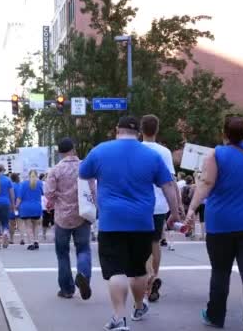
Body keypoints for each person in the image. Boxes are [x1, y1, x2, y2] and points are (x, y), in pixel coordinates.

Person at [79, 116, 180, 330]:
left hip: (111, 220)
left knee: (116, 271)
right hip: (142, 221)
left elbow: (83, 173)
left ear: (117, 130)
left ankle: (119, 317)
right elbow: (169, 186)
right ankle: (138, 306)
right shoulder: (152, 155)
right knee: (138, 270)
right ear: (138, 132)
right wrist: (174, 213)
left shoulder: (100, 151)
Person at [186, 114, 243, 330]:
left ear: (224, 133)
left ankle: (215, 316)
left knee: (221, 272)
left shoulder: (216, 154)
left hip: (221, 223)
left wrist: (191, 208)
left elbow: (205, 184)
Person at [45, 137, 95, 300]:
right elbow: (93, 189)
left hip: (62, 218)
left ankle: (66, 289)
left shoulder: (55, 170)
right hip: (83, 215)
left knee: (62, 253)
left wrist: (56, 199)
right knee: (83, 249)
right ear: (73, 149)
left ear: (60, 153)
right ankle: (83, 275)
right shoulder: (85, 166)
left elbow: (49, 194)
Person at [140, 114, 181, 303]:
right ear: (156, 130)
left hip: (140, 203)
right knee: (155, 242)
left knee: (141, 245)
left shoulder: (136, 149)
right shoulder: (164, 152)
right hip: (159, 205)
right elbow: (170, 181)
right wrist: (176, 208)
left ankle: (149, 279)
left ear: (141, 130)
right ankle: (153, 277)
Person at [18, 170, 44, 250]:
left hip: (25, 207)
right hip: (36, 206)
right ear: (37, 175)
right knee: (36, 225)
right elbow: (43, 194)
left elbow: (19, 197)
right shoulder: (40, 183)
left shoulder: (23, 184)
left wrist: (16, 206)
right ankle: (36, 241)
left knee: (28, 226)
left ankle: (31, 242)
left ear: (28, 175)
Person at [9, 173, 21, 244]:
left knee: (11, 223)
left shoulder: (11, 186)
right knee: (20, 223)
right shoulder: (20, 185)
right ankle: (22, 237)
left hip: (12, 206)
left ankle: (11, 239)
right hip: (19, 206)